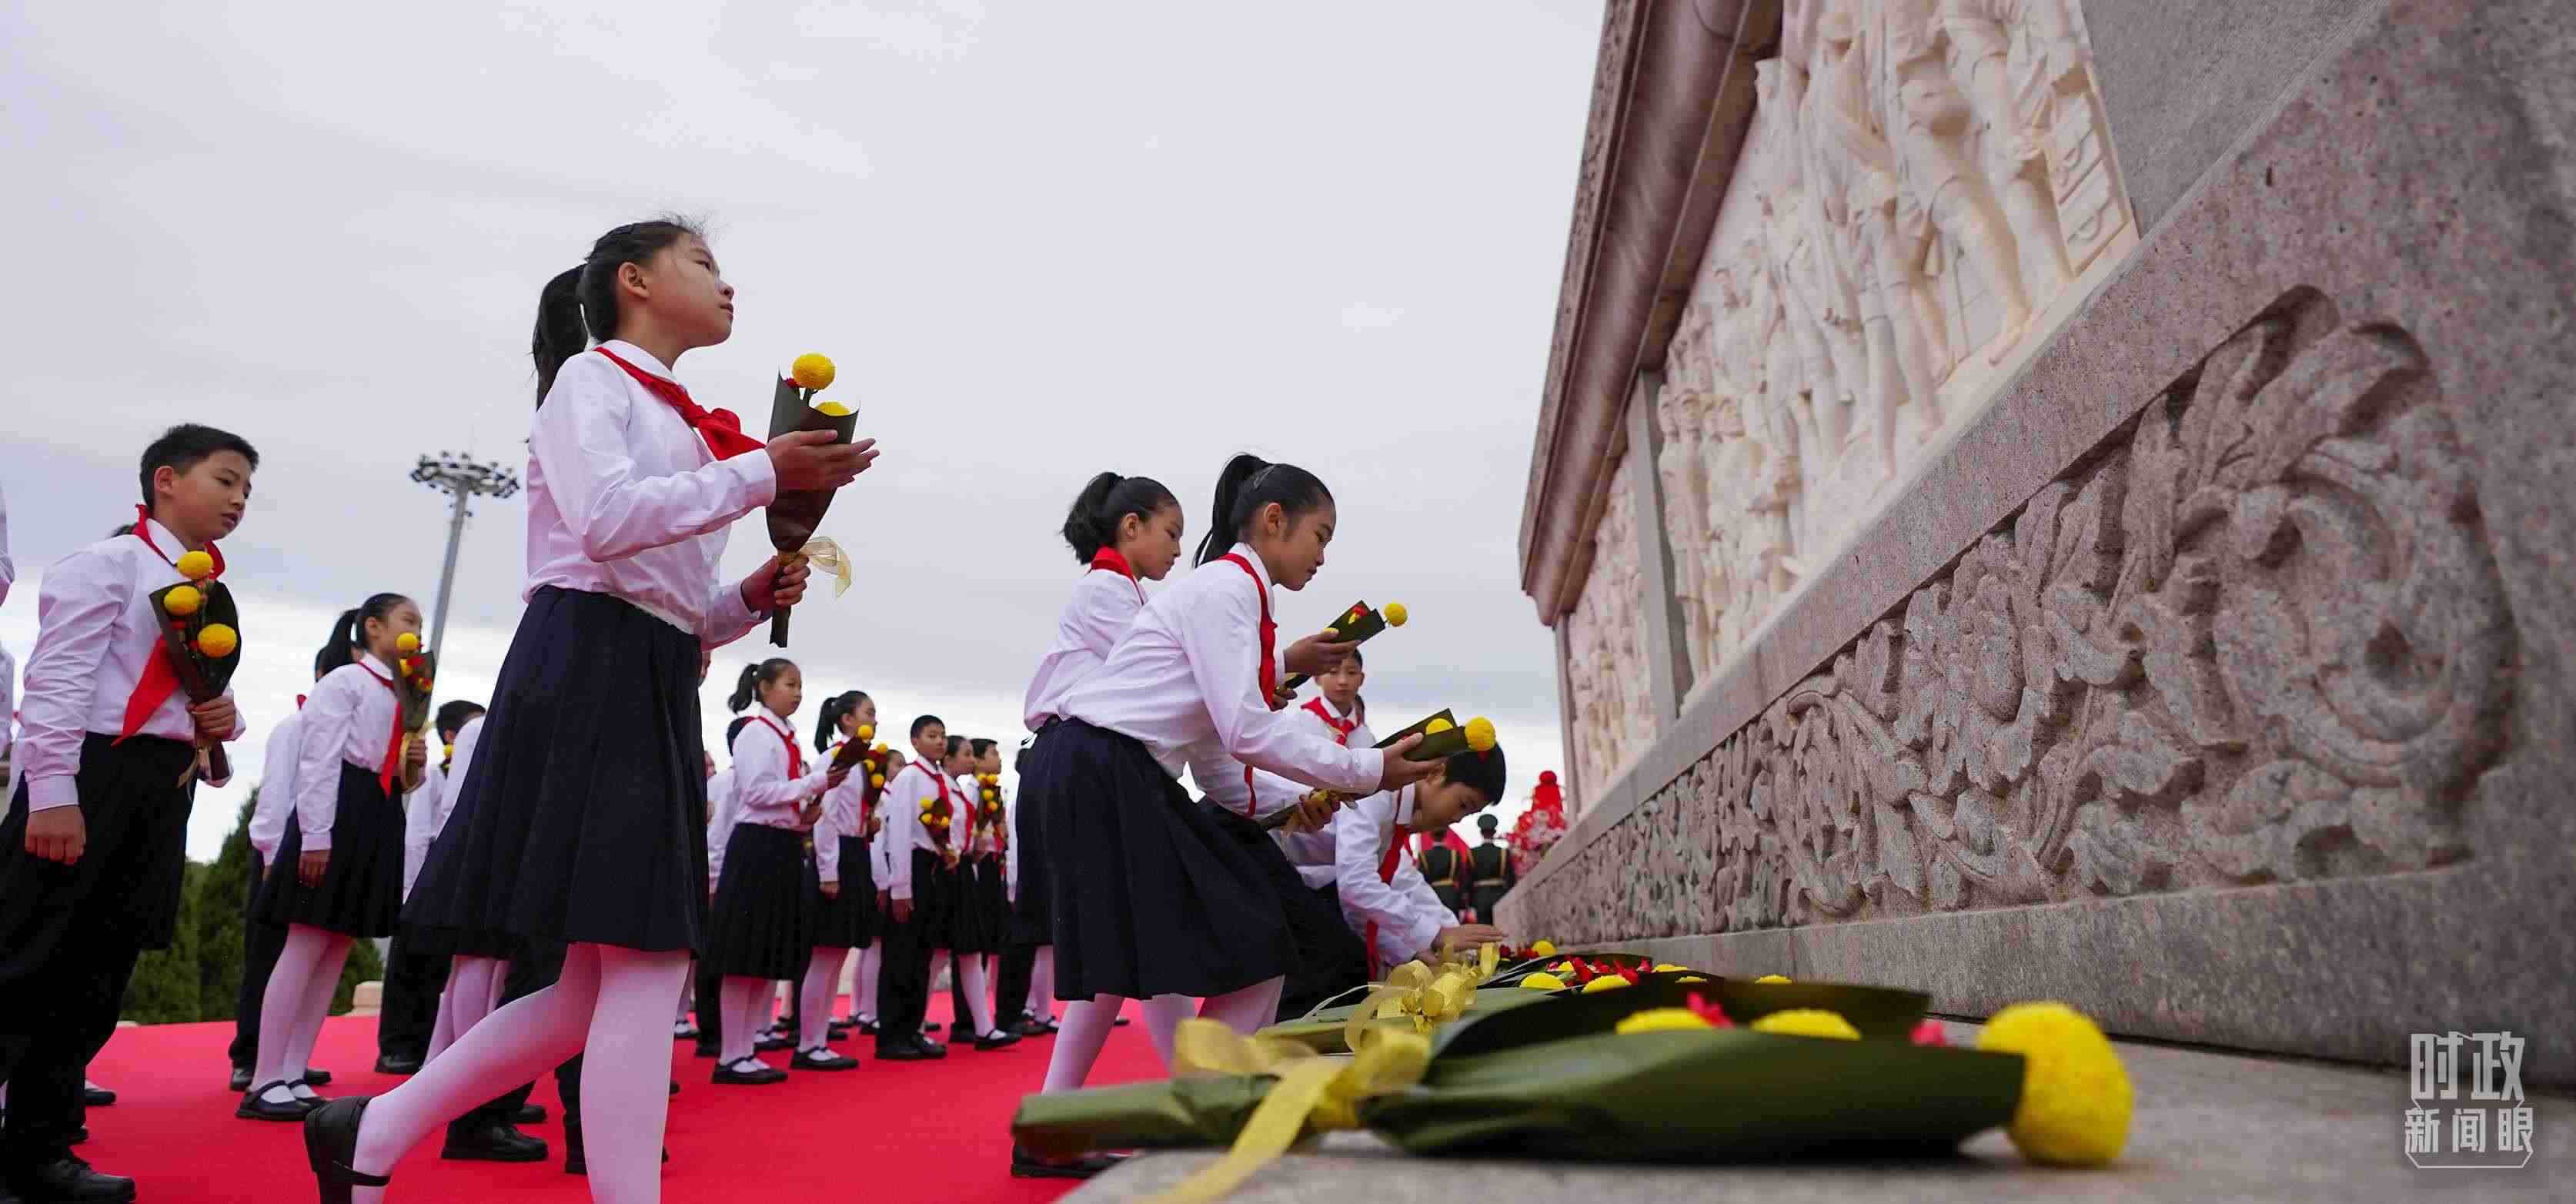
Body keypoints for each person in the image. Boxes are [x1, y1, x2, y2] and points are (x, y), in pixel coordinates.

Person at [302, 217, 874, 1204]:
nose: (726, 285)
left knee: (586, 990)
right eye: (703, 263)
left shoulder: (686, 424)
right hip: (586, 664)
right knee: (645, 964)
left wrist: (747, 596)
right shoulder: (590, 381)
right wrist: (761, 472)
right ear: (633, 281)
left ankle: (371, 1130)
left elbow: (673, 605)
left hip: (647, 668)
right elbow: (606, 525)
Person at [1018, 453, 1442, 1178]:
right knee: (1255, 936)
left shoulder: (1234, 596)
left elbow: (1218, 759)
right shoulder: (1226, 590)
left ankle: (1066, 1129)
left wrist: (1290, 804)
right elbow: (1245, 729)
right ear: (1274, 521)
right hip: (1102, 767)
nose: (1321, 555)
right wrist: (1368, 770)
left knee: (1131, 960)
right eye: (1320, 535)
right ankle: (1201, 1119)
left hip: (1101, 768)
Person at [0, 425, 254, 1202]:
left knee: (97, 977)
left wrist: (224, 722)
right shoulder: (105, 564)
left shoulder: (207, 591)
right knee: (27, 967)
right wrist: (53, 795)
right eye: (226, 479)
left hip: (161, 787)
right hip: (89, 773)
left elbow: (191, 699)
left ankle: (39, 1153)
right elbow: (57, 684)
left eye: (247, 488)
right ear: (166, 479)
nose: (239, 499)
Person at [1010, 473, 1191, 1068]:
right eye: (1171, 533)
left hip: (1102, 764)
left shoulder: (1126, 594)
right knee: (1132, 939)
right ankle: (1192, 1083)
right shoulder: (1105, 590)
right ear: (1131, 526)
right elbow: (1166, 673)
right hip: (1086, 763)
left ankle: (1190, 1082)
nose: (1177, 549)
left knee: (1140, 942)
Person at [242, 597, 429, 1122]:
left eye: (419, 624)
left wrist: (412, 765)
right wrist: (315, 836)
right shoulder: (345, 682)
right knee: (305, 942)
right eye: (407, 621)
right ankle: (263, 1076)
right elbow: (319, 762)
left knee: (337, 947)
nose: (417, 632)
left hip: (379, 810)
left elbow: (400, 777)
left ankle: (293, 1070)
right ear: (373, 628)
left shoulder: (405, 693)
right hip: (338, 809)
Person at [707, 658, 841, 1083]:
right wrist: (814, 784)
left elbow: (781, 799)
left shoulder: (787, 737)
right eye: (789, 684)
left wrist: (806, 813)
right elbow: (756, 793)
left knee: (765, 952)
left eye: (800, 686)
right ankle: (731, 1054)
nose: (797, 693)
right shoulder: (756, 733)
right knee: (743, 955)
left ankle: (747, 1049)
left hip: (783, 845)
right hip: (756, 847)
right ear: (765, 688)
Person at [1308, 747, 1512, 982]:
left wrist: (1444, 942)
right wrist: (1435, 934)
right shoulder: (1378, 792)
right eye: (1463, 805)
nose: (1457, 819)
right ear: (1436, 772)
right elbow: (1356, 885)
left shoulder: (1395, 814)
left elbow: (1407, 884)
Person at [231, 654, 338, 1095]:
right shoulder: (294, 727)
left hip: (318, 849)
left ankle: (288, 1058)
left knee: (308, 959)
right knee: (268, 955)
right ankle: (249, 1057)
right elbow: (275, 793)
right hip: (281, 852)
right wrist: (271, 855)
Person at [376, 701, 484, 1075]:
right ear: (452, 735)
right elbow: (418, 835)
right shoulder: (436, 777)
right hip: (426, 880)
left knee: (437, 971)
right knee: (410, 969)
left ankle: (426, 1046)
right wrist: (412, 891)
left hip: (450, 882)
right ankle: (395, 1047)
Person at [798, 690, 877, 1070]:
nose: (874, 720)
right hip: (838, 856)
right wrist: (828, 872)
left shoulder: (863, 763)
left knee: (839, 952)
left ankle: (819, 1039)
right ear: (847, 720)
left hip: (856, 852)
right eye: (868, 713)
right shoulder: (835, 759)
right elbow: (825, 818)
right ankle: (808, 1043)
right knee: (825, 955)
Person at [1466, 813, 1515, 922]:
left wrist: (1470, 903)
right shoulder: (1503, 852)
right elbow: (1510, 878)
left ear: (1481, 833)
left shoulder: (1472, 853)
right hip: (1500, 896)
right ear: (1494, 832)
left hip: (1480, 898)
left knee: (1485, 930)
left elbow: (1468, 879)